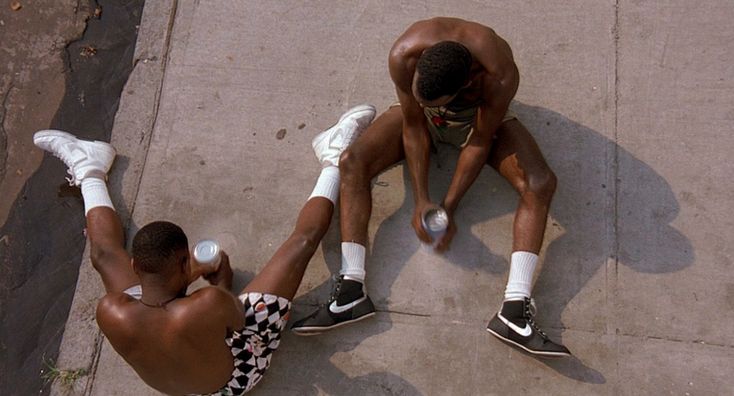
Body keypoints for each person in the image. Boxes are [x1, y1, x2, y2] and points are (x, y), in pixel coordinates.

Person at [33, 104, 376, 395]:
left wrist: (190, 277)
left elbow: (164, 305)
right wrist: (221, 285)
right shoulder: (206, 304)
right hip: (234, 379)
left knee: (104, 256)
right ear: (186, 264)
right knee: (301, 242)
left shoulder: (111, 309)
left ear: (136, 265)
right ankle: (333, 157)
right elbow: (234, 324)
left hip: (185, 384)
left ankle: (89, 167)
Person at [291, 17, 570, 357]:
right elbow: (412, 123)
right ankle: (352, 289)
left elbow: (480, 142)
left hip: (478, 119)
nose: (426, 106)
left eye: (434, 103)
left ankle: (514, 309)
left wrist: (448, 206)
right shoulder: (404, 55)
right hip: (420, 122)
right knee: (352, 162)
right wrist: (421, 199)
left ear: (468, 81)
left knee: (540, 183)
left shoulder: (498, 74)